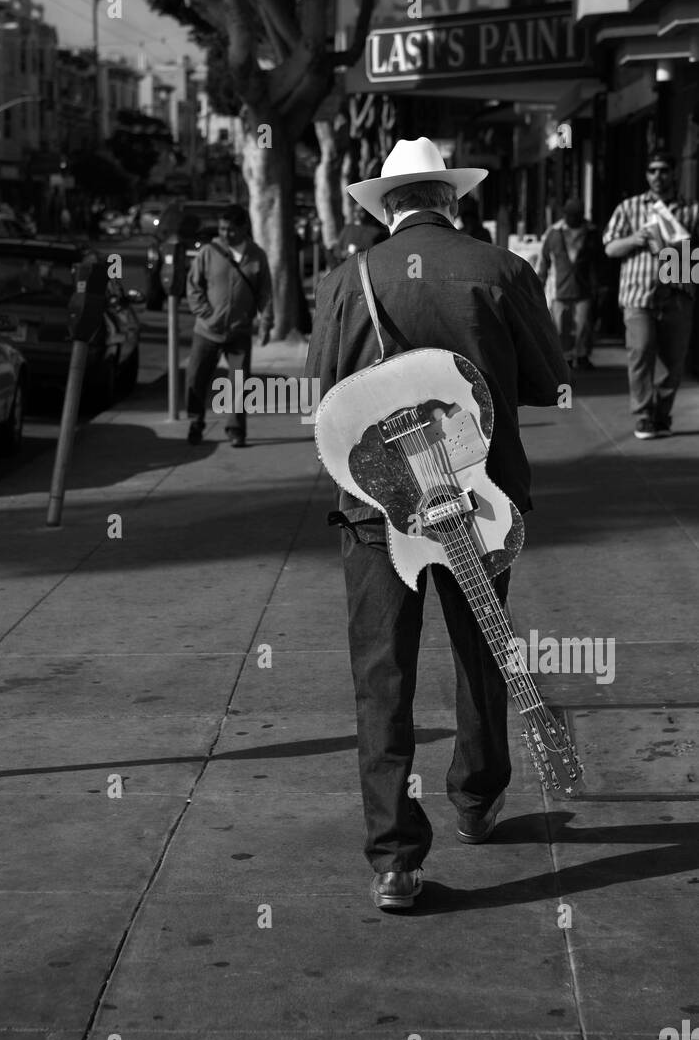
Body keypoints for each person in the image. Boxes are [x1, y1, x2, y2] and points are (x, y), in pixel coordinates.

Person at [305, 137, 568, 912]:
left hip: (376, 510)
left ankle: (393, 857)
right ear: (453, 201)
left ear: (386, 206)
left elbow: (326, 398)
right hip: (477, 500)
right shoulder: (502, 270)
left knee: (382, 673)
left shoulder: (345, 281)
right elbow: (551, 383)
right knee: (482, 647)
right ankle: (477, 798)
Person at [602, 148, 699, 439]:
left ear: (674, 173)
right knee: (641, 352)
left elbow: (695, 255)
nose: (658, 176)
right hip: (638, 295)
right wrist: (636, 239)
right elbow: (609, 248)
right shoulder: (629, 208)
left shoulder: (691, 209)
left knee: (674, 360)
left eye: (664, 170)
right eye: (653, 170)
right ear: (646, 175)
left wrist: (684, 247)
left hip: (678, 292)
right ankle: (643, 416)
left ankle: (661, 415)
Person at [185, 206, 273, 448]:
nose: (226, 233)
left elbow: (265, 293)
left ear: (244, 228)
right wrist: (207, 315)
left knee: (238, 384)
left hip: (239, 331)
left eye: (231, 229)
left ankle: (236, 430)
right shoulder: (208, 252)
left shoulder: (257, 256)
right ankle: (195, 423)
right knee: (196, 379)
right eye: (222, 228)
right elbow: (193, 287)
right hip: (206, 331)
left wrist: (265, 323)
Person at [537, 197, 600, 369]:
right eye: (570, 215)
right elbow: (544, 261)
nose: (573, 218)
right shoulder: (554, 233)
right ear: (565, 215)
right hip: (559, 288)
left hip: (584, 287)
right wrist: (539, 284)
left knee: (583, 325)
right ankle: (563, 357)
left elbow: (597, 262)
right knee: (560, 326)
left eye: (576, 215)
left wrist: (598, 286)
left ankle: (581, 355)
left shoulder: (591, 232)